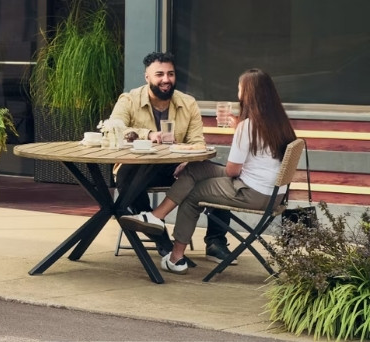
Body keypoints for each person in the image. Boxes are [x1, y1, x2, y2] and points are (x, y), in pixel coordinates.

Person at [121, 69, 295, 274]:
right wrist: (239, 129)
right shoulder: (280, 123)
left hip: (252, 192)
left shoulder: (247, 127)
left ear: (248, 93)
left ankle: (176, 258)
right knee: (196, 167)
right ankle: (156, 216)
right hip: (273, 194)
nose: (238, 93)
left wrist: (238, 132)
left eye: (239, 89)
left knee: (192, 195)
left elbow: (232, 170)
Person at [107, 52, 237, 266]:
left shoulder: (188, 103)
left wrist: (188, 162)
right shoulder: (129, 100)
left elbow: (197, 142)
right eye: (159, 74)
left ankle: (216, 243)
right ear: (147, 77)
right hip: (138, 166)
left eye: (170, 74)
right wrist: (148, 134)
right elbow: (113, 129)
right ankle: (164, 243)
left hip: (176, 167)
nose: (166, 79)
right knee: (127, 179)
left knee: (217, 176)